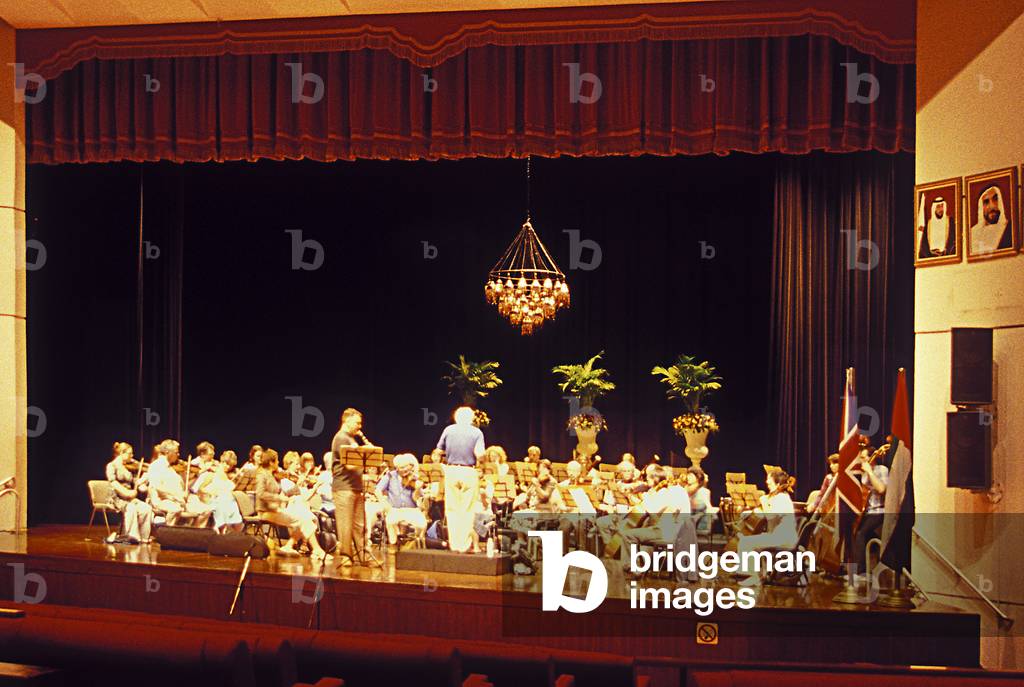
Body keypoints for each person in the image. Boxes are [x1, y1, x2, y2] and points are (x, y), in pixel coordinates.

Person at [255, 448, 331, 562]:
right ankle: (317, 550)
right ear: (271, 462)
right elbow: (260, 494)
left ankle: (298, 547)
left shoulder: (271, 475)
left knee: (304, 518)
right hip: (265, 513)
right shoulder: (262, 475)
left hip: (274, 510)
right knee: (302, 519)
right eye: (276, 461)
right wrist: (279, 497)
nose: (278, 463)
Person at [435, 406, 485, 553]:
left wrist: (440, 465)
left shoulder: (448, 430)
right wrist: (481, 463)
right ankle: (464, 545)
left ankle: (454, 544)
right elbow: (480, 454)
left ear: (456, 418)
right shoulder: (477, 432)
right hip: (469, 471)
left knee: (452, 509)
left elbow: (438, 451)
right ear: (471, 419)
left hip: (451, 470)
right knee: (467, 509)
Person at [736, 468, 798, 585]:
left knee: (745, 543)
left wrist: (764, 502)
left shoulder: (782, 498)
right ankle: (760, 575)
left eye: (769, 481)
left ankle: (754, 576)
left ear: (778, 484)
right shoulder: (776, 497)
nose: (767, 483)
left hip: (784, 539)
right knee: (748, 541)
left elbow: (770, 516)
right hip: (777, 536)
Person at [331, 408, 373, 566]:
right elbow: (349, 465)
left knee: (359, 525)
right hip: (344, 487)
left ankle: (363, 555)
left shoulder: (351, 439)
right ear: (347, 420)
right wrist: (366, 456)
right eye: (357, 422)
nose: (360, 426)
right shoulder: (341, 438)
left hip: (355, 487)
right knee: (345, 523)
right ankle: (346, 556)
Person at [375, 453, 427, 549]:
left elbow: (416, 498)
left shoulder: (414, 478)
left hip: (412, 510)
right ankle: (393, 545)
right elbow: (377, 491)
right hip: (394, 509)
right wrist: (385, 505)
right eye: (401, 468)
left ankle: (416, 545)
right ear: (397, 468)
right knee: (390, 522)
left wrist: (417, 489)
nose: (404, 470)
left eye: (406, 467)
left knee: (422, 525)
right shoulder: (390, 476)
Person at [105, 442, 154, 543]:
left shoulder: (129, 467)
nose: (132, 456)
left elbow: (137, 483)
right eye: (130, 453)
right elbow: (113, 483)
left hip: (129, 498)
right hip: (116, 498)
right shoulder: (111, 465)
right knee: (131, 508)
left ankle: (143, 537)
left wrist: (143, 483)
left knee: (146, 508)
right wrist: (126, 493)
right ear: (122, 453)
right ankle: (131, 536)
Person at [851, 447, 889, 574]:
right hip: (867, 511)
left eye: (863, 457)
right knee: (854, 532)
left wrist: (870, 472)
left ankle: (861, 572)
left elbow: (882, 489)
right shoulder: (863, 473)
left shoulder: (881, 470)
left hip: (879, 511)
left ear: (871, 457)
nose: (861, 460)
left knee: (861, 534)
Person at [194, 452, 244, 534]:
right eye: (227, 464)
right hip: (215, 500)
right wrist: (212, 492)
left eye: (230, 466)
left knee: (233, 503)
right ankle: (223, 528)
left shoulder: (227, 476)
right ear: (222, 462)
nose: (228, 467)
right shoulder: (212, 474)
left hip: (228, 501)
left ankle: (234, 529)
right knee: (223, 503)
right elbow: (200, 489)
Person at [969, 185, 1012, 255]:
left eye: (995, 199)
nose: (992, 206)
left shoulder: (1010, 229)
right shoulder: (973, 233)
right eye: (986, 202)